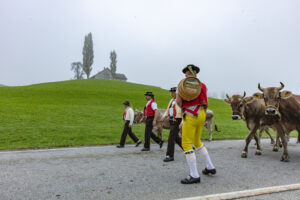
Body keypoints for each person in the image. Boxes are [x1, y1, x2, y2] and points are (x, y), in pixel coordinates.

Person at [176, 64, 216, 184]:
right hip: (202, 113)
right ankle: (210, 166)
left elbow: (178, 101)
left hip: (190, 114)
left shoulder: (183, 84)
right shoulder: (203, 85)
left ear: (189, 74)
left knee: (186, 143)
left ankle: (194, 174)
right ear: (196, 73)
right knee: (197, 141)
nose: (185, 75)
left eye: (186, 73)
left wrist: (182, 108)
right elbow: (206, 102)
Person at [161, 87, 183, 162]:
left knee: (171, 138)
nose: (171, 93)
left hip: (177, 119)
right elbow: (168, 110)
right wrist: (163, 117)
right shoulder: (171, 100)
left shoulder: (180, 100)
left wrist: (182, 121)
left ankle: (170, 155)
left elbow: (183, 111)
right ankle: (187, 148)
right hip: (171, 120)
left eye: (173, 92)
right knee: (176, 137)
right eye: (171, 92)